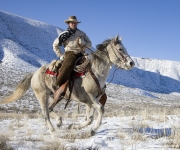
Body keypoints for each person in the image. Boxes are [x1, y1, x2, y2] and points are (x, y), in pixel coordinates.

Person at [52, 16, 92, 88]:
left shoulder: (82, 34)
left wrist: (84, 43)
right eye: (72, 23)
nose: (74, 24)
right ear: (68, 24)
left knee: (93, 64)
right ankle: (58, 85)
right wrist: (60, 55)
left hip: (82, 53)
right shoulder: (63, 34)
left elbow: (90, 44)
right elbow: (55, 45)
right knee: (67, 66)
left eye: (75, 23)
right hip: (70, 53)